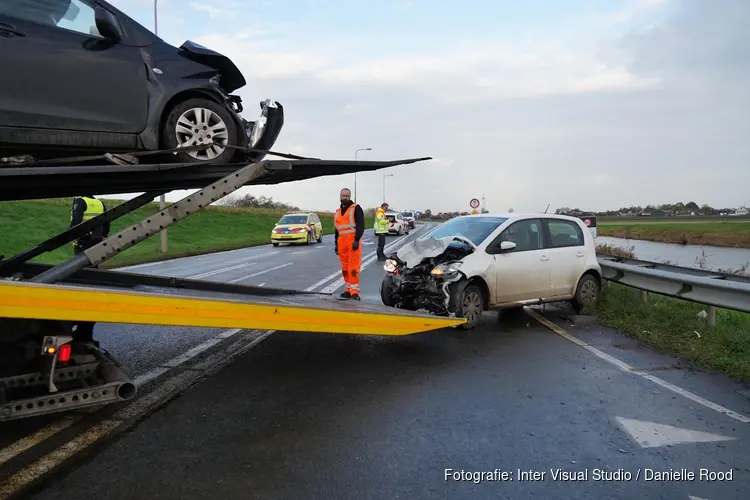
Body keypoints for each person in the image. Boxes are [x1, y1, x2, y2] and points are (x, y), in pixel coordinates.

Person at [334, 188, 365, 300]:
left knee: (353, 268)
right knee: (345, 269)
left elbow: (361, 225)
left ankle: (354, 292)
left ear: (350, 196)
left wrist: (357, 240)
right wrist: (336, 244)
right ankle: (348, 289)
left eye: (347, 195)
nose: (345, 197)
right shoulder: (337, 212)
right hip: (341, 242)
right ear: (340, 196)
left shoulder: (356, 208)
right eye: (343, 195)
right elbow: (337, 230)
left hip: (352, 242)